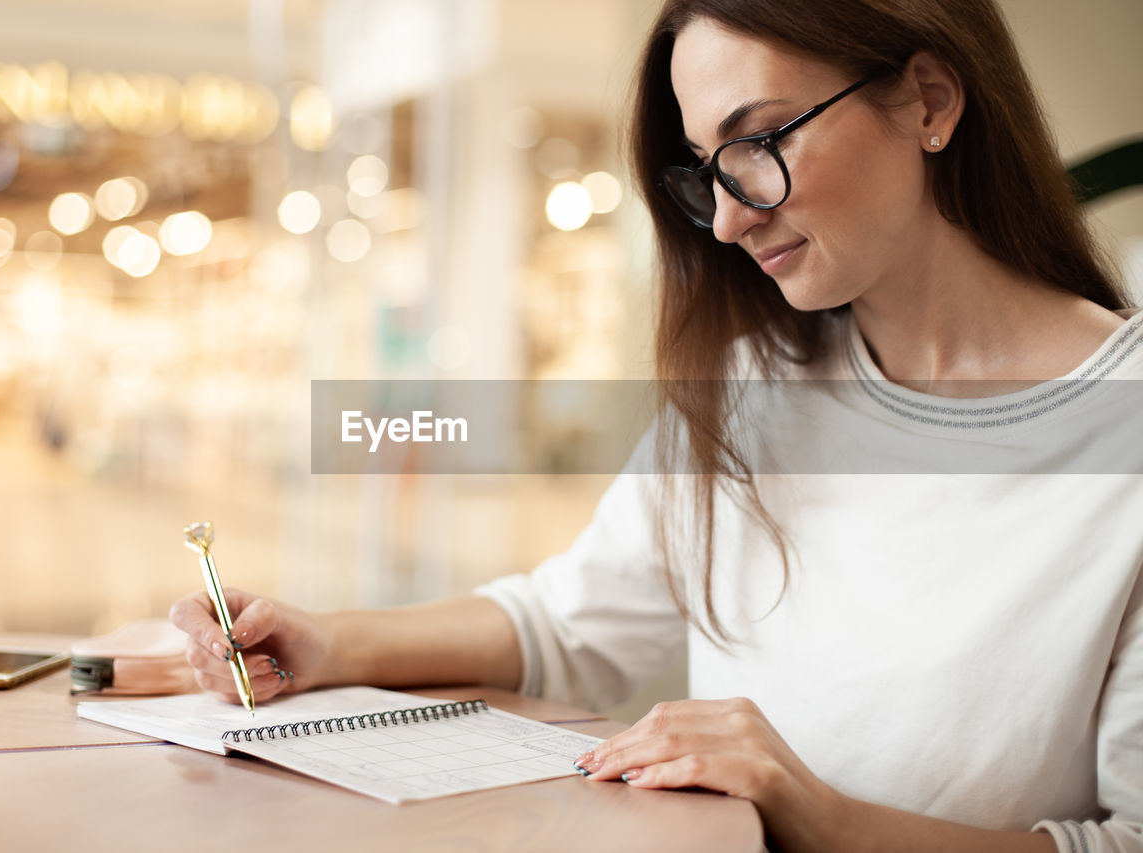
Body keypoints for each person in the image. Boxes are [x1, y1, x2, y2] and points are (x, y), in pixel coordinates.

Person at [171, 0, 1143, 850]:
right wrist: (327, 641)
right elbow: (568, 621)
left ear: (928, 101)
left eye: (758, 142)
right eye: (703, 171)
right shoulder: (751, 384)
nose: (724, 221)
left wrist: (814, 813)